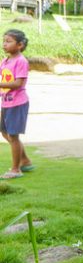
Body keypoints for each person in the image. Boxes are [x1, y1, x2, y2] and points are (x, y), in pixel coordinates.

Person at [0, 30, 33, 179]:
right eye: (4, 41)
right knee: (5, 132)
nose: (4, 44)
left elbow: (18, 83)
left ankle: (15, 169)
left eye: (8, 41)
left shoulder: (21, 61)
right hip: (6, 102)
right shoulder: (5, 61)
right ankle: (24, 161)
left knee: (13, 135)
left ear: (19, 45)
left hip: (17, 103)